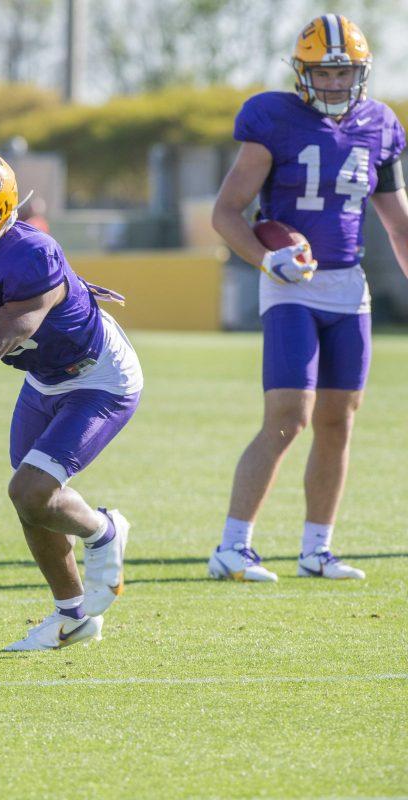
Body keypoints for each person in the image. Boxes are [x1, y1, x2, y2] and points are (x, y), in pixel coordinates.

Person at [0, 144, 142, 651]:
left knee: (30, 490)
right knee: (32, 503)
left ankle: (104, 529)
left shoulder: (29, 254)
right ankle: (73, 616)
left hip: (98, 377)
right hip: (44, 379)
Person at [209, 14, 408, 581]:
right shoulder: (273, 118)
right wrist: (265, 258)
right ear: (302, 74)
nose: (335, 84)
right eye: (324, 73)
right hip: (290, 284)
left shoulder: (381, 125)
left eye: (345, 73)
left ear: (362, 74)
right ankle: (232, 547)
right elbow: (227, 213)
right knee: (288, 417)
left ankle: (316, 549)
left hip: (350, 286)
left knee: (339, 421)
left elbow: (398, 225)